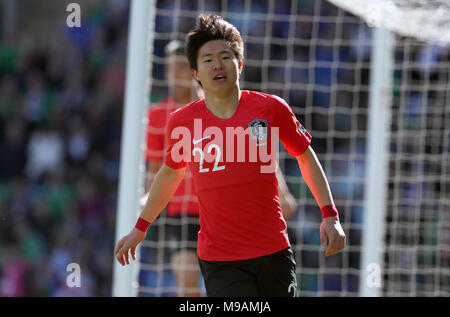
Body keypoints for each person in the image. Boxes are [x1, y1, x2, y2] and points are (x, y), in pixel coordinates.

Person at [115, 14, 346, 297]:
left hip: (273, 250)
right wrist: (140, 227)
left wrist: (330, 215)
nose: (217, 65)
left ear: (239, 63)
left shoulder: (270, 109)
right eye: (207, 59)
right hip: (220, 259)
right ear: (196, 73)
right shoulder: (182, 122)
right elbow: (169, 173)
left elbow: (304, 156)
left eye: (224, 56)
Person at [143, 40, 202, 297]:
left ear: (194, 71)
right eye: (169, 69)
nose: (173, 76)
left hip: (221, 206)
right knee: (186, 276)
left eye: (180, 68)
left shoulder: (218, 107)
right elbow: (153, 169)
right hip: (180, 212)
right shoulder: (157, 115)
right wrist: (145, 203)